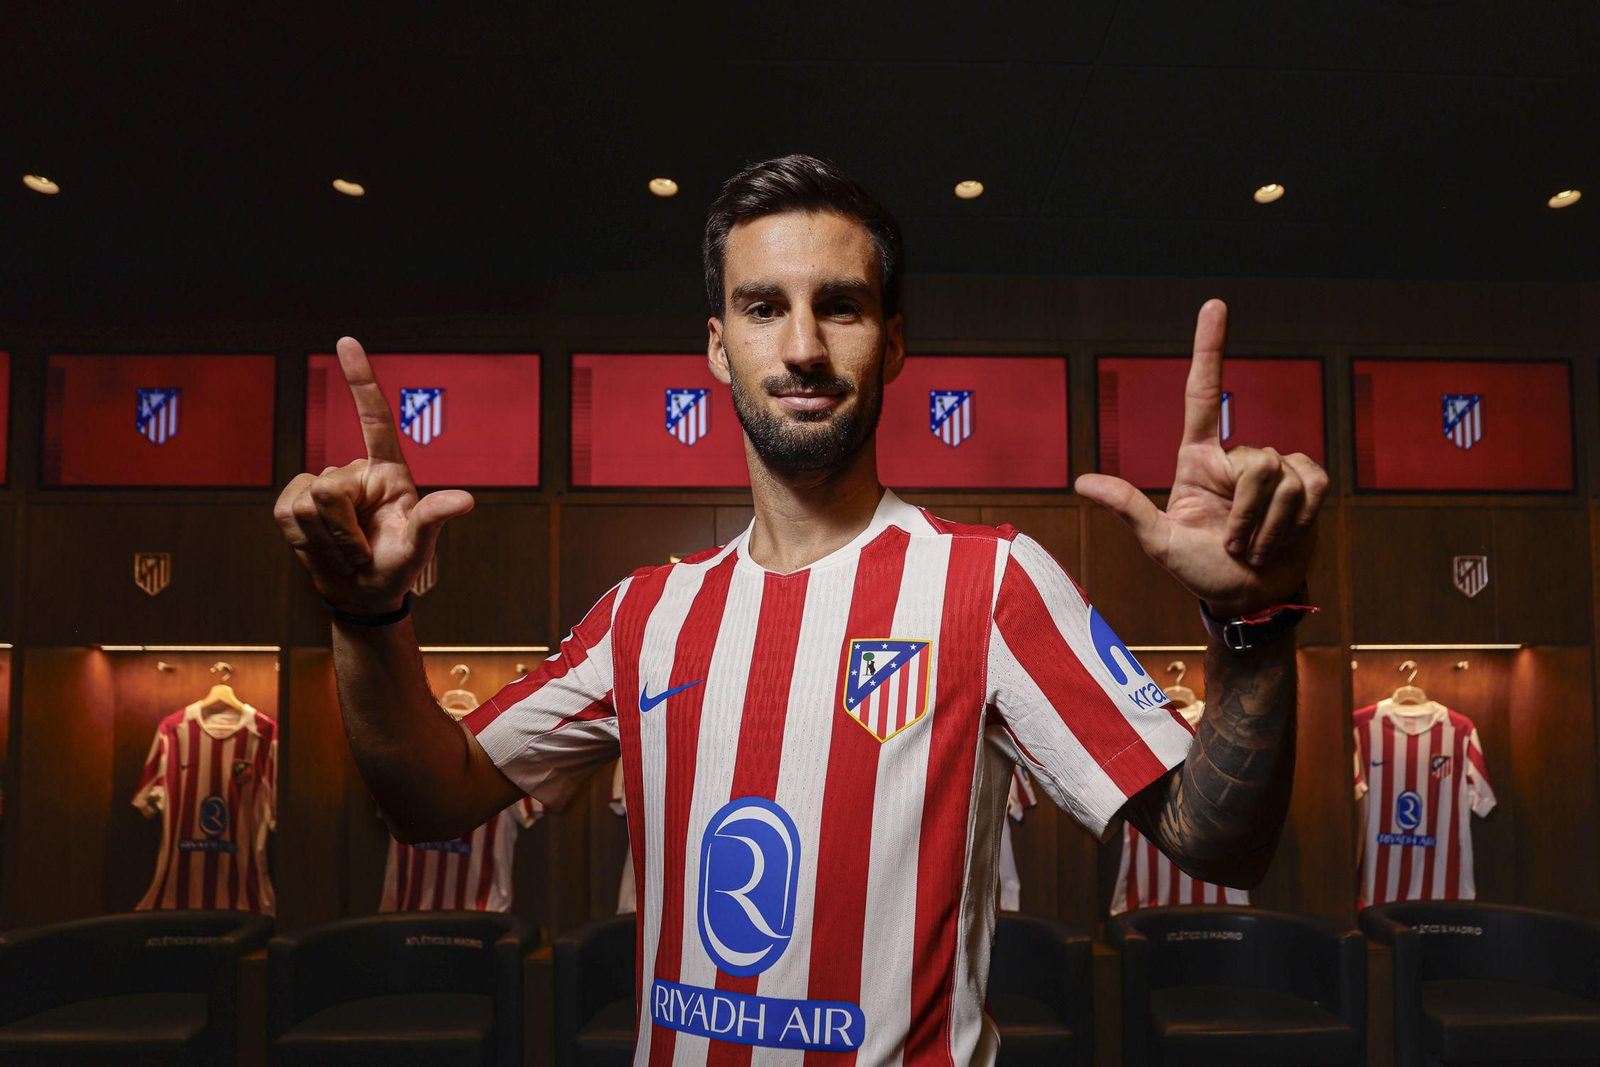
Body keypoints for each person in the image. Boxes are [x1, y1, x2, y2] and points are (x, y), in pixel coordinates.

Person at [274, 154, 1327, 1064]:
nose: (804, 347)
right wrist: (365, 613)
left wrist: (1254, 622)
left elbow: (1215, 840)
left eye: (842, 305)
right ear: (716, 345)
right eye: (763, 306)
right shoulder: (644, 614)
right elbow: (432, 798)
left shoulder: (990, 582)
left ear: (894, 341)